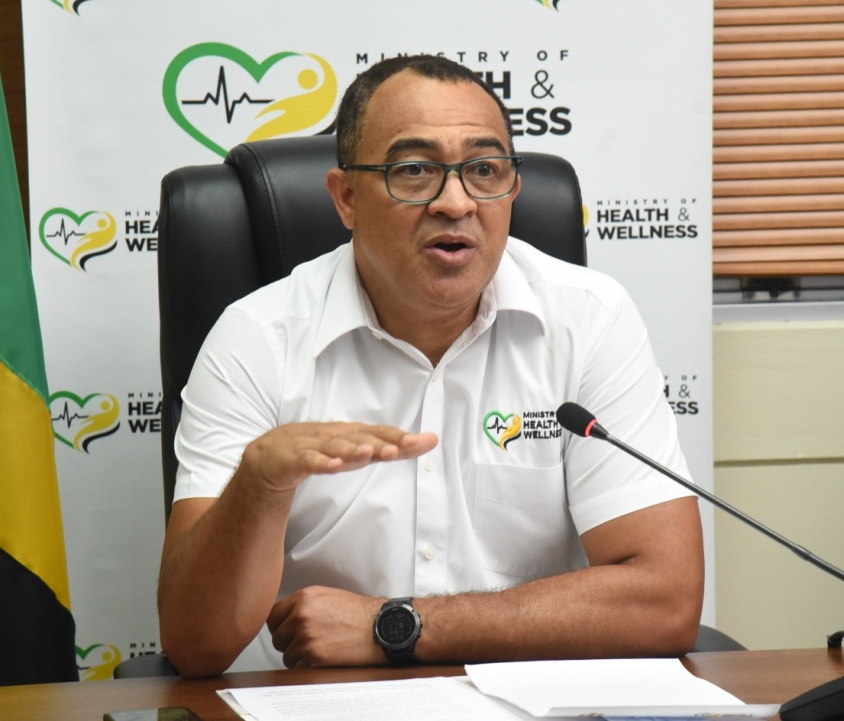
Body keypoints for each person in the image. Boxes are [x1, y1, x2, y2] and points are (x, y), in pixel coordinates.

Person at [157, 54, 704, 677]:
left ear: (511, 190)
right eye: (414, 171)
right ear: (346, 198)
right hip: (323, 707)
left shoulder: (589, 318)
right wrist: (258, 486)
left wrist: (395, 625)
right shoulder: (257, 338)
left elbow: (666, 598)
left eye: (483, 169)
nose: (455, 202)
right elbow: (194, 645)